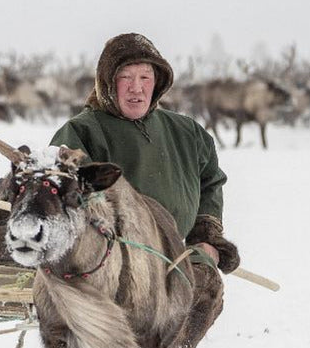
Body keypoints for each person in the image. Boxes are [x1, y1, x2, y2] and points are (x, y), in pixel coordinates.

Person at [50, 32, 240, 275]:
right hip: (109, 267)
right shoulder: (81, 131)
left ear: (157, 81)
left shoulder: (186, 131)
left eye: (145, 77)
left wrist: (206, 237)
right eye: (125, 77)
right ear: (108, 81)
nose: (136, 88)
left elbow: (210, 181)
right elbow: (62, 195)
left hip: (176, 262)